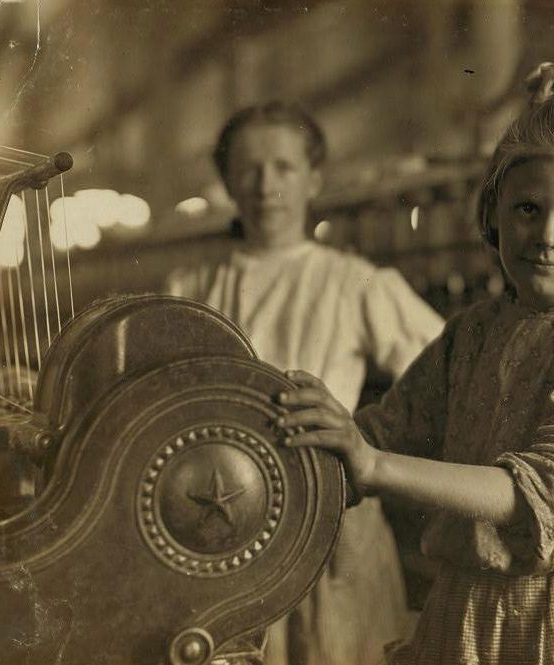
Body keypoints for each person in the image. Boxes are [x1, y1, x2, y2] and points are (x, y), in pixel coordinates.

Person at [271, 61, 554, 665]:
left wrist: (372, 463)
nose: (547, 235)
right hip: (464, 619)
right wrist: (312, 435)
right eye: (527, 209)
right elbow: (385, 432)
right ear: (493, 215)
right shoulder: (472, 333)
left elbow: (546, 493)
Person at [167, 101, 444, 665]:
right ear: (227, 182)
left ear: (314, 178)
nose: (266, 185)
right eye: (248, 169)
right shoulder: (189, 287)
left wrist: (366, 440)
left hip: (332, 522)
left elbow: (451, 377)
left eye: (284, 167)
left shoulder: (354, 282)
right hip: (217, 525)